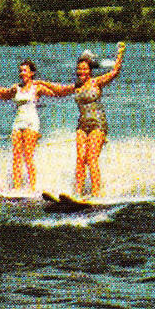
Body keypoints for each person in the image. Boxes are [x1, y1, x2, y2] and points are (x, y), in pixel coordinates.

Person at [43, 42, 126, 196]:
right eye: (79, 69)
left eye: (84, 69)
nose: (81, 71)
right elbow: (59, 90)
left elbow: (115, 71)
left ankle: (96, 194)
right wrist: (40, 83)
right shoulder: (76, 86)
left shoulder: (97, 82)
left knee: (91, 158)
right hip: (82, 126)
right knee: (81, 159)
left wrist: (120, 53)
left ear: (90, 70)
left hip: (98, 125)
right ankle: (77, 194)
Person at [0, 60, 59, 193]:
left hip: (31, 122)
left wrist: (44, 82)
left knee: (28, 155)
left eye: (25, 70)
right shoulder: (16, 88)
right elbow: (4, 95)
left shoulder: (37, 88)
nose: (22, 73)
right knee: (16, 155)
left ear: (32, 73)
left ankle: (32, 187)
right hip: (18, 122)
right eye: (21, 71)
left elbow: (56, 92)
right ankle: (17, 187)